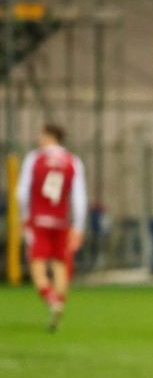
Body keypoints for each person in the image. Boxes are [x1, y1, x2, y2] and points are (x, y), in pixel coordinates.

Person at [15, 123, 88, 330]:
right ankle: (59, 302)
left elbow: (21, 192)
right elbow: (79, 198)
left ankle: (51, 299)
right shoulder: (73, 161)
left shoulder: (34, 158)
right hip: (60, 222)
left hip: (38, 220)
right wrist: (78, 226)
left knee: (37, 263)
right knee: (60, 265)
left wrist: (24, 217)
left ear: (49, 136)